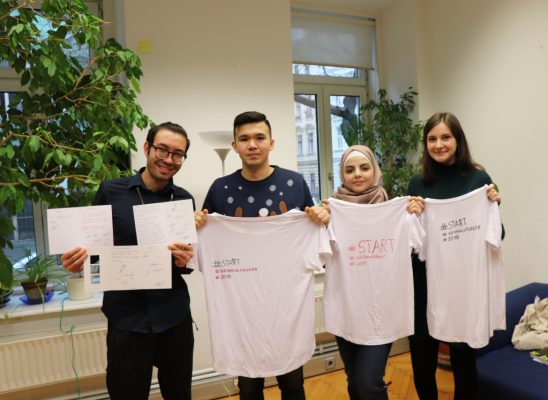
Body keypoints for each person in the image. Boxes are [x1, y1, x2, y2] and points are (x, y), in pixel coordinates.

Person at [61, 122, 200, 400]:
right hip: (127, 319)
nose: (168, 159)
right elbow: (93, 247)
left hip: (174, 317)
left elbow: (183, 266)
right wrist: (79, 261)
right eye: (162, 149)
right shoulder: (111, 191)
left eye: (177, 154)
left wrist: (184, 260)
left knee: (180, 395)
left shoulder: (183, 200)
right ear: (147, 148)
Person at [199, 111, 324, 400]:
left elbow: (312, 227)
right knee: (249, 387)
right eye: (244, 139)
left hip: (286, 308)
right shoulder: (220, 189)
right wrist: (194, 224)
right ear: (234, 146)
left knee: (293, 386)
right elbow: (205, 235)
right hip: (242, 313)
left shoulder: (294, 183)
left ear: (271, 142)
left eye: (259, 137)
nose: (252, 145)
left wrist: (321, 216)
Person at [311, 145, 422, 400]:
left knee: (368, 383)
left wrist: (416, 216)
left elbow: (417, 247)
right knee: (353, 381)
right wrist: (321, 223)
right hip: (346, 309)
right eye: (349, 170)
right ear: (342, 175)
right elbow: (319, 258)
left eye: (364, 167)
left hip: (382, 311)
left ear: (375, 170)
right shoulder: (332, 211)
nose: (357, 174)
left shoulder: (397, 211)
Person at [407, 112, 502, 400]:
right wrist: (411, 218)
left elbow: (497, 236)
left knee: (464, 362)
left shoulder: (479, 180)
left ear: (458, 140)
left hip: (463, 284)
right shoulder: (417, 184)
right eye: (432, 139)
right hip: (423, 283)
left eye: (445, 137)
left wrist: (495, 208)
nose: (438, 145)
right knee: (422, 363)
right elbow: (410, 244)